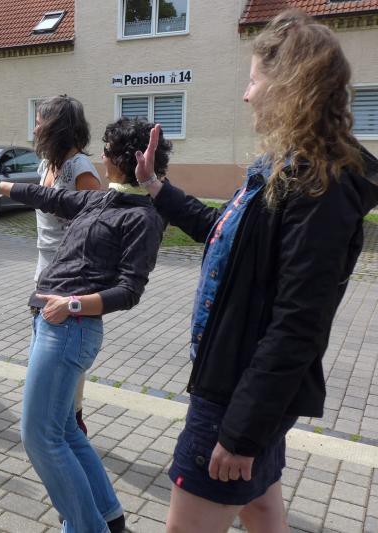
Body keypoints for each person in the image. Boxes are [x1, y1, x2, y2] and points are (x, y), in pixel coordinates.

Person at [131, 10, 378, 532]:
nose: (246, 96)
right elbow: (222, 233)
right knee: (262, 510)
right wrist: (156, 187)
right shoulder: (280, 169)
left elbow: (299, 324)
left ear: (290, 86)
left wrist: (242, 432)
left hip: (237, 398)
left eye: (253, 81)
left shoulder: (319, 188)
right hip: (244, 390)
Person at [0, 118, 170, 533]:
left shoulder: (143, 217)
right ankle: (109, 518)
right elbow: (46, 196)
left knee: (39, 437)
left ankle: (87, 527)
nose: (101, 156)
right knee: (66, 430)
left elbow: (129, 291)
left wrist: (73, 304)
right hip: (53, 322)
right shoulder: (102, 201)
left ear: (122, 160)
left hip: (71, 328)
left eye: (107, 150)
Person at [31, 95, 104, 434]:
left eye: (39, 123)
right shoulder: (47, 165)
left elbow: (98, 227)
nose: (35, 129)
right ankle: (60, 424)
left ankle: (71, 424)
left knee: (64, 364)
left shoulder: (80, 169)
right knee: (45, 358)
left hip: (71, 280)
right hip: (44, 273)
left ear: (56, 127)